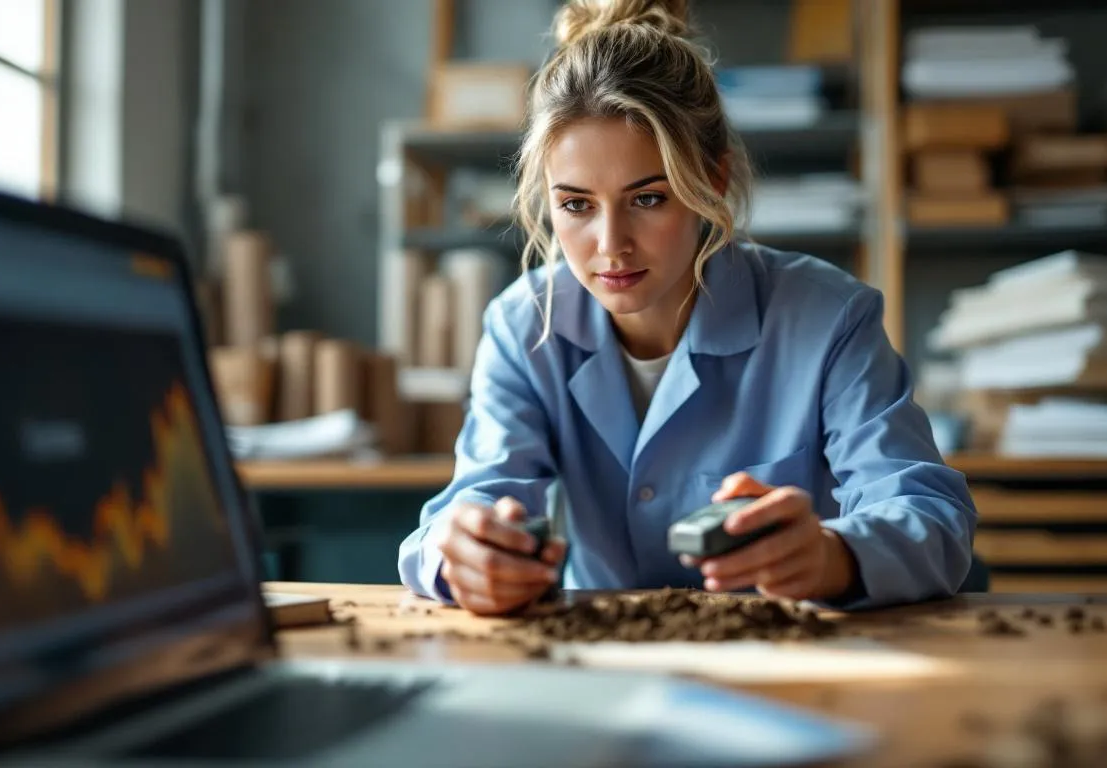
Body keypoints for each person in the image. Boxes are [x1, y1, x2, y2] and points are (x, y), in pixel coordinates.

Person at [398, 0, 977, 616]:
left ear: (714, 181)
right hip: (602, 670)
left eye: (648, 199)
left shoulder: (827, 317)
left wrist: (834, 555)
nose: (610, 244)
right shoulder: (523, 324)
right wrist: (463, 554)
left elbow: (930, 514)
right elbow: (468, 507)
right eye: (575, 205)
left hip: (791, 665)